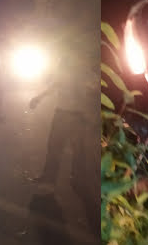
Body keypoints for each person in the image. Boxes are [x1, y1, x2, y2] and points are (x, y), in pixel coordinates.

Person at [29, 36, 98, 185]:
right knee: (59, 148)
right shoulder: (71, 69)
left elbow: (93, 88)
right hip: (66, 114)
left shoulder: (82, 70)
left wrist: (38, 98)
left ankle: (72, 178)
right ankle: (56, 177)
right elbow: (54, 85)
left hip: (72, 115)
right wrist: (38, 98)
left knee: (71, 150)